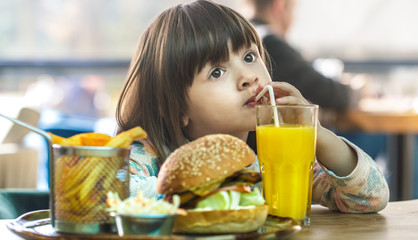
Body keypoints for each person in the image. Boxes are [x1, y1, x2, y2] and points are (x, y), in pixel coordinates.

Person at [115, 0, 389, 213]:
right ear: (176, 108)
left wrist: (317, 134)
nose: (248, 77)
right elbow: (112, 194)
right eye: (216, 73)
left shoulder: (274, 158)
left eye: (249, 56)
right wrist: (231, 185)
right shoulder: (149, 154)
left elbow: (369, 198)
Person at [246, 0, 359, 110]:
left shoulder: (241, 37)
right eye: (293, 9)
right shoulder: (271, 44)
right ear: (280, 5)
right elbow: (322, 91)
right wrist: (356, 91)